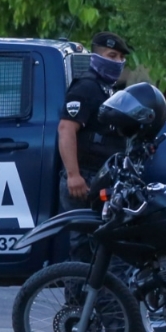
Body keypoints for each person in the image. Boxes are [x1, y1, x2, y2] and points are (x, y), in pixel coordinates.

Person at [58, 32, 132, 210]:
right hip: (84, 178)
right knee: (83, 235)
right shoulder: (86, 87)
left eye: (121, 57)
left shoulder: (106, 89)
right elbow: (66, 129)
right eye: (111, 56)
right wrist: (74, 175)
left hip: (101, 175)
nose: (118, 62)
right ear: (96, 57)